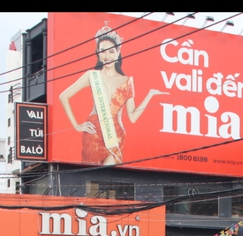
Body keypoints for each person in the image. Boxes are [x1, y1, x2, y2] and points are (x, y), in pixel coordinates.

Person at [57, 24, 168, 166]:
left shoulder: (127, 81)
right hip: (94, 133)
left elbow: (132, 117)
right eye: (103, 51)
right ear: (98, 52)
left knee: (108, 175)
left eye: (111, 52)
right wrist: (76, 126)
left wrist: (150, 95)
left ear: (118, 52)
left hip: (115, 135)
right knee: (92, 178)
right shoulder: (92, 76)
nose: (107, 56)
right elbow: (63, 96)